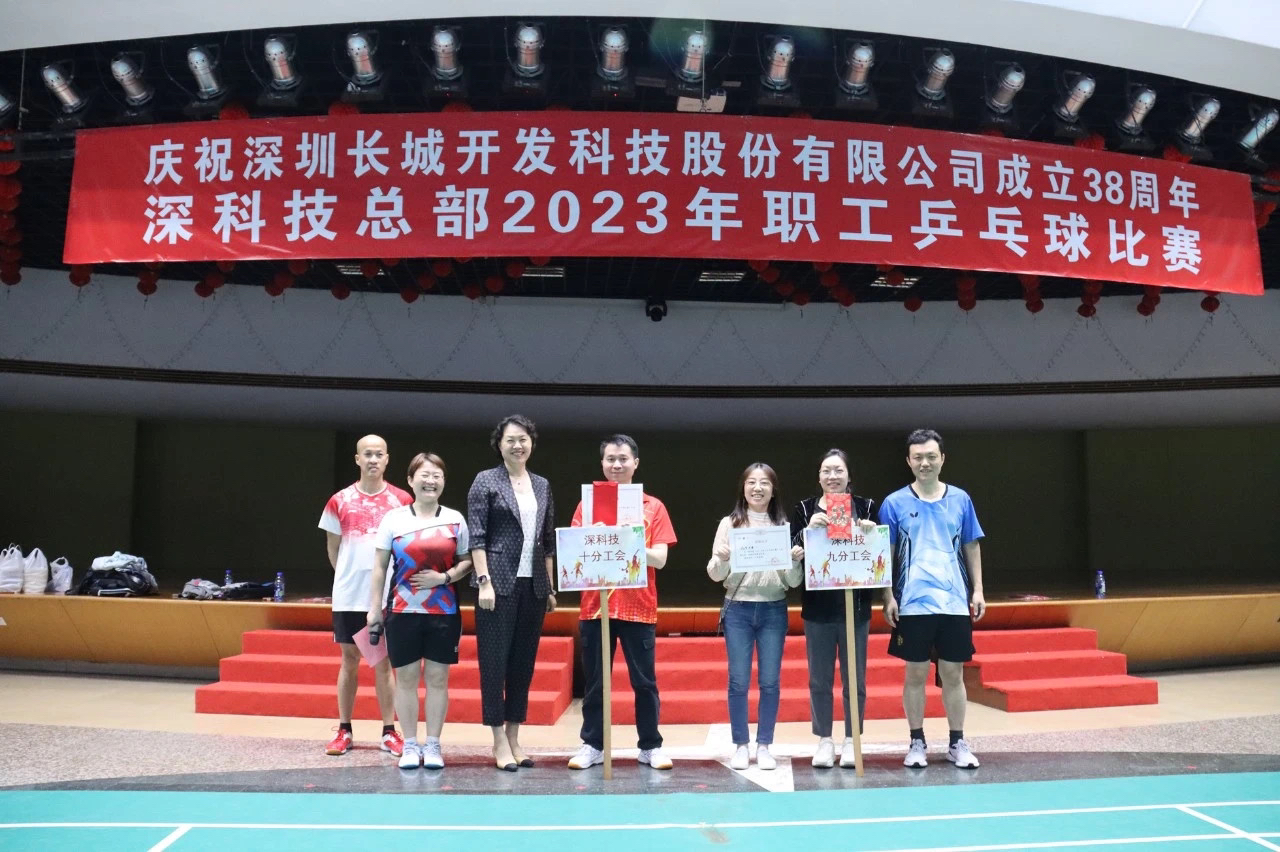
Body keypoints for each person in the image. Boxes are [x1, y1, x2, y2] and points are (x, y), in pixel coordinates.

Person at [567, 435, 679, 771]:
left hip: (638, 607)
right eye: (611, 459)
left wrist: (627, 538)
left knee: (644, 682)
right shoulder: (587, 505)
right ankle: (593, 745)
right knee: (595, 682)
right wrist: (596, 536)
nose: (617, 465)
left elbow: (660, 559)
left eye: (623, 459)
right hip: (595, 607)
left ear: (636, 463)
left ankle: (650, 746)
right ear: (602, 463)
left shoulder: (653, 507)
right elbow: (573, 552)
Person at [879, 429, 986, 769]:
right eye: (918, 457)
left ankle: (957, 742)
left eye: (930, 456)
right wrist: (888, 595)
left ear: (942, 459)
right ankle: (916, 742)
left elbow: (971, 544)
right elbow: (885, 553)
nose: (924, 463)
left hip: (954, 603)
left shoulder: (961, 500)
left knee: (953, 673)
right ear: (908, 461)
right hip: (912, 604)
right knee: (915, 673)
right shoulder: (893, 503)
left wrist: (978, 589)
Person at [368, 452, 472, 770]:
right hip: (402, 611)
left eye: (437, 476)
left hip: (443, 613)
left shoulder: (455, 519)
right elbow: (379, 567)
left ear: (444, 482)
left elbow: (467, 561)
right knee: (406, 679)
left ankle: (434, 745)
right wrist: (374, 610)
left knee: (438, 679)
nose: (431, 481)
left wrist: (444, 578)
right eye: (424, 475)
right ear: (411, 480)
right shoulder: (394, 519)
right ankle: (411, 745)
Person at [467, 414, 557, 771]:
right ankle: (498, 740)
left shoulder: (542, 484)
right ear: (499, 444)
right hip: (497, 583)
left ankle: (515, 735)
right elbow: (477, 536)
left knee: (523, 663)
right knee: (494, 665)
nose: (518, 445)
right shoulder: (485, 480)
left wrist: (549, 586)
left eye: (523, 439)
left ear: (531, 443)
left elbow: (547, 540)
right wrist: (484, 580)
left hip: (532, 585)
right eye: (510, 440)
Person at [317, 434, 411, 757]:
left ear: (387, 459)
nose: (373, 459)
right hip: (348, 595)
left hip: (385, 597)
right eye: (367, 454)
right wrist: (350, 577)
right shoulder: (339, 500)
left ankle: (389, 732)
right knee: (349, 660)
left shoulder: (402, 500)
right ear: (357, 459)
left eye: (379, 454)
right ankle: (344, 730)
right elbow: (334, 550)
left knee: (383, 663)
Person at [706, 463, 803, 771]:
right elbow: (715, 574)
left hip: (774, 609)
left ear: (773, 490)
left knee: (770, 681)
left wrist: (795, 562)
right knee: (738, 680)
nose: (758, 488)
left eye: (764, 483)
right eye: (751, 482)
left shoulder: (783, 525)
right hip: (738, 609)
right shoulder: (729, 524)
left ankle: (764, 745)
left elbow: (793, 582)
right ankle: (740, 745)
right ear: (743, 488)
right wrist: (721, 559)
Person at [790, 449, 878, 769]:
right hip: (818, 608)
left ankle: (852, 740)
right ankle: (824, 740)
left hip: (855, 606)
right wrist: (808, 531)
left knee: (855, 679)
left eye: (839, 470)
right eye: (826, 471)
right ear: (819, 477)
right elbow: (792, 549)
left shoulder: (867, 507)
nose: (832, 476)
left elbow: (879, 553)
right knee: (819, 679)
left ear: (849, 476)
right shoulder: (804, 509)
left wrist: (870, 533)